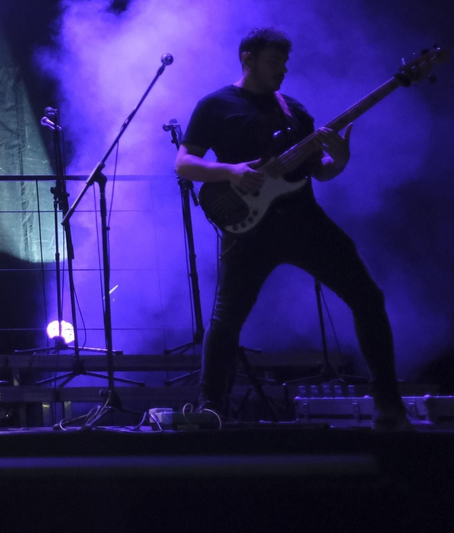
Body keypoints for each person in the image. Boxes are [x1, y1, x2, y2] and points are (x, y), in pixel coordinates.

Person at [175, 28, 409, 430]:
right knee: (227, 320)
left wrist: (341, 159)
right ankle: (211, 408)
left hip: (303, 220)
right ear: (246, 59)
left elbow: (319, 172)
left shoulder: (295, 111)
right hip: (249, 229)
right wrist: (231, 171)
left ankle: (388, 404)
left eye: (284, 62)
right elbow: (184, 164)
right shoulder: (214, 106)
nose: (282, 70)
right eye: (272, 61)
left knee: (368, 297)